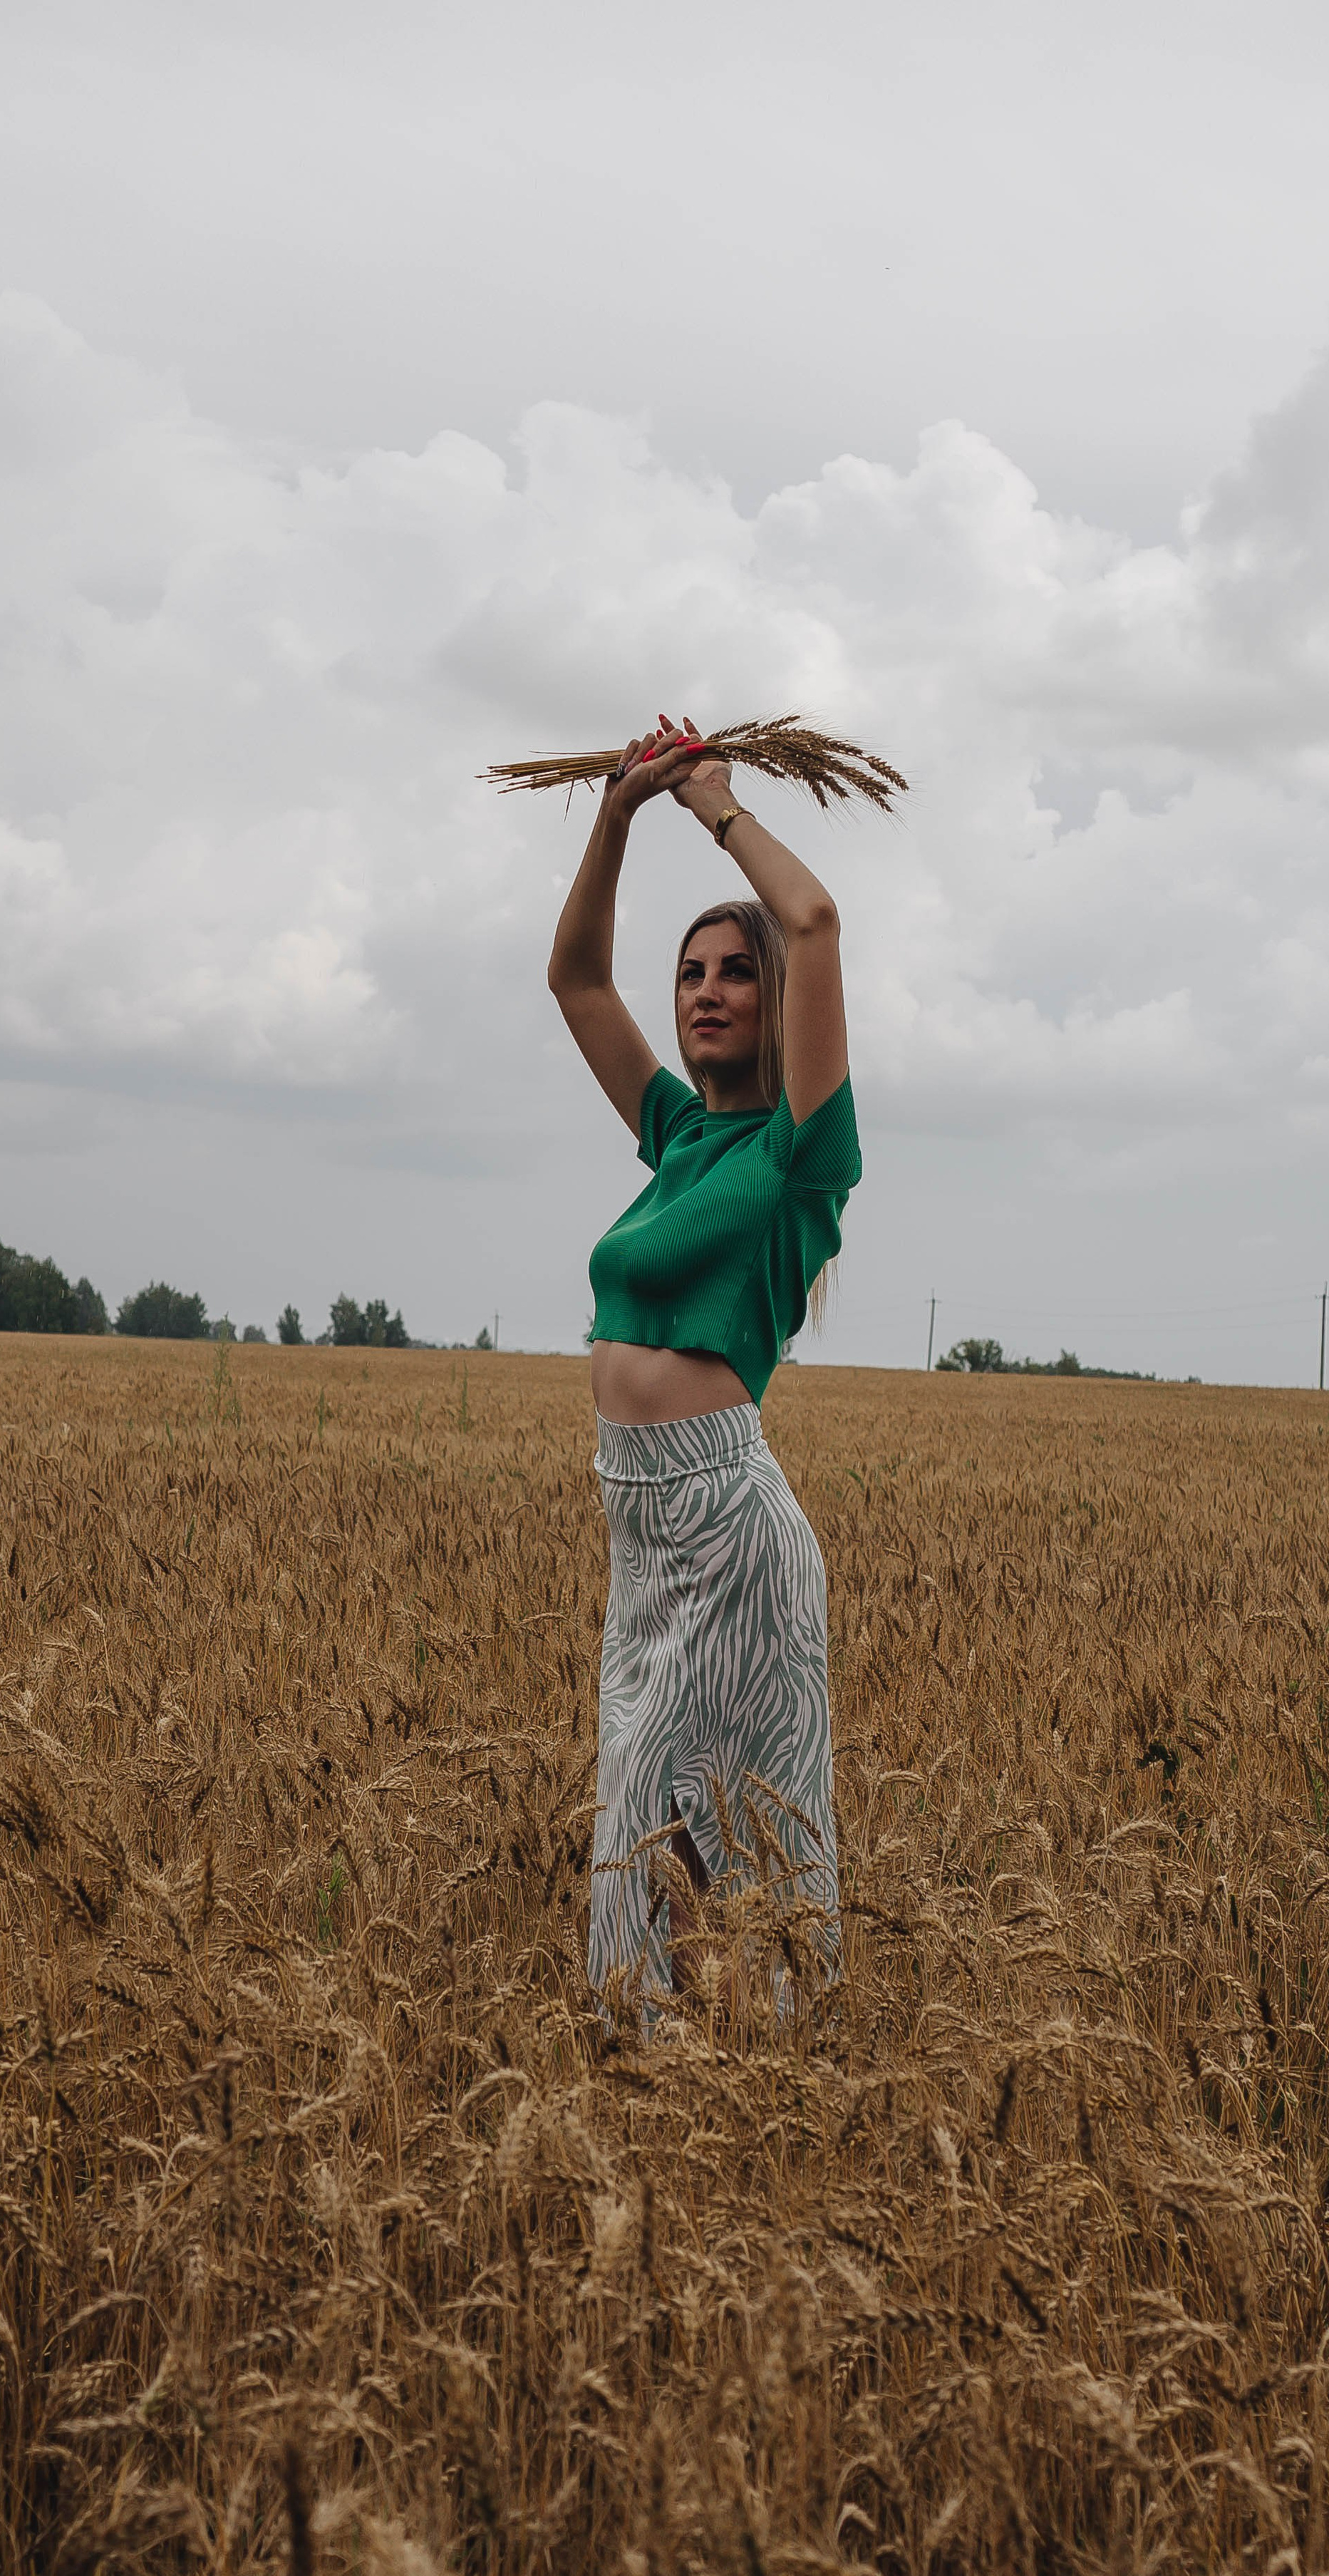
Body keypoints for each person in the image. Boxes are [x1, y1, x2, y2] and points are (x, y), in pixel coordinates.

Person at [547, 712, 862, 2024]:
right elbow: (575, 982)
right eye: (692, 973)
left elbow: (820, 922)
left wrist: (713, 802)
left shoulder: (799, 1155)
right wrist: (617, 815)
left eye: (735, 970)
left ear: (770, 997)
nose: (707, 990)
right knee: (643, 1833)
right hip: (641, 1532)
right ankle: (670, 2097)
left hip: (729, 1530)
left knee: (726, 1840)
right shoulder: (675, 1134)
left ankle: (757, 2090)